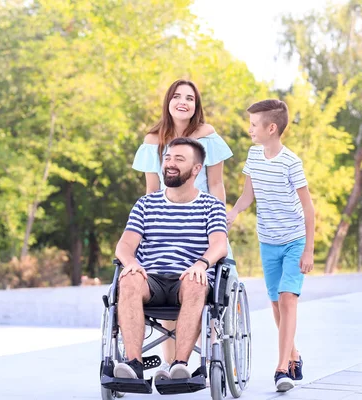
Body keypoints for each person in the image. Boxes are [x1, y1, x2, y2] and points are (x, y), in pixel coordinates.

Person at [132, 79, 233, 379]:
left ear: (195, 105)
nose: (183, 102)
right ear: (168, 101)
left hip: (202, 220)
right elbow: (152, 191)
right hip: (165, 222)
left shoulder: (207, 136)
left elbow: (216, 185)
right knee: (163, 276)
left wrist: (217, 224)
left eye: (190, 98)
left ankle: (208, 357)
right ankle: (170, 362)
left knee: (205, 288)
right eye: (177, 96)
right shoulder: (153, 140)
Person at [114, 137, 228, 382]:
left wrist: (202, 264)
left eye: (179, 159)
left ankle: (180, 365)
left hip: (188, 278)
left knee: (197, 282)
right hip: (151, 279)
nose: (170, 163)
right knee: (129, 279)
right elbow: (124, 245)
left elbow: (219, 244)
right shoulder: (146, 204)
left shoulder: (211, 206)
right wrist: (131, 262)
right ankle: (134, 364)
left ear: (197, 169)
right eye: (167, 158)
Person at [226, 99, 315, 392]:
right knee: (276, 302)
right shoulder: (253, 156)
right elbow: (248, 195)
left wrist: (309, 249)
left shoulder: (291, 162)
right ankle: (294, 354)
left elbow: (309, 208)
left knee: (288, 298)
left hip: (293, 240)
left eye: (253, 125)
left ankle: (281, 369)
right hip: (268, 241)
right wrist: (235, 211)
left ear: (271, 128)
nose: (249, 130)